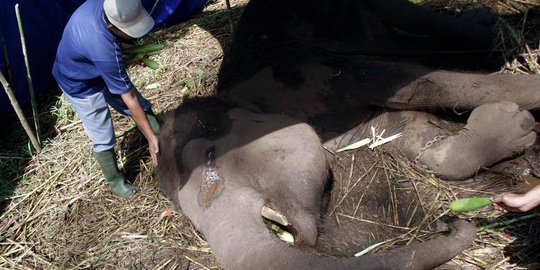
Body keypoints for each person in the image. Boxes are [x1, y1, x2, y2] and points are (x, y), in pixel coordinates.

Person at [52, 0, 160, 198]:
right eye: (129, 31)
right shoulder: (103, 48)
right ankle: (116, 182)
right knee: (102, 134)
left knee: (141, 106)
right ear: (112, 26)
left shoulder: (112, 5)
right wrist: (150, 138)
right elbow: (129, 98)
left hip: (94, 64)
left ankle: (160, 137)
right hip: (79, 83)